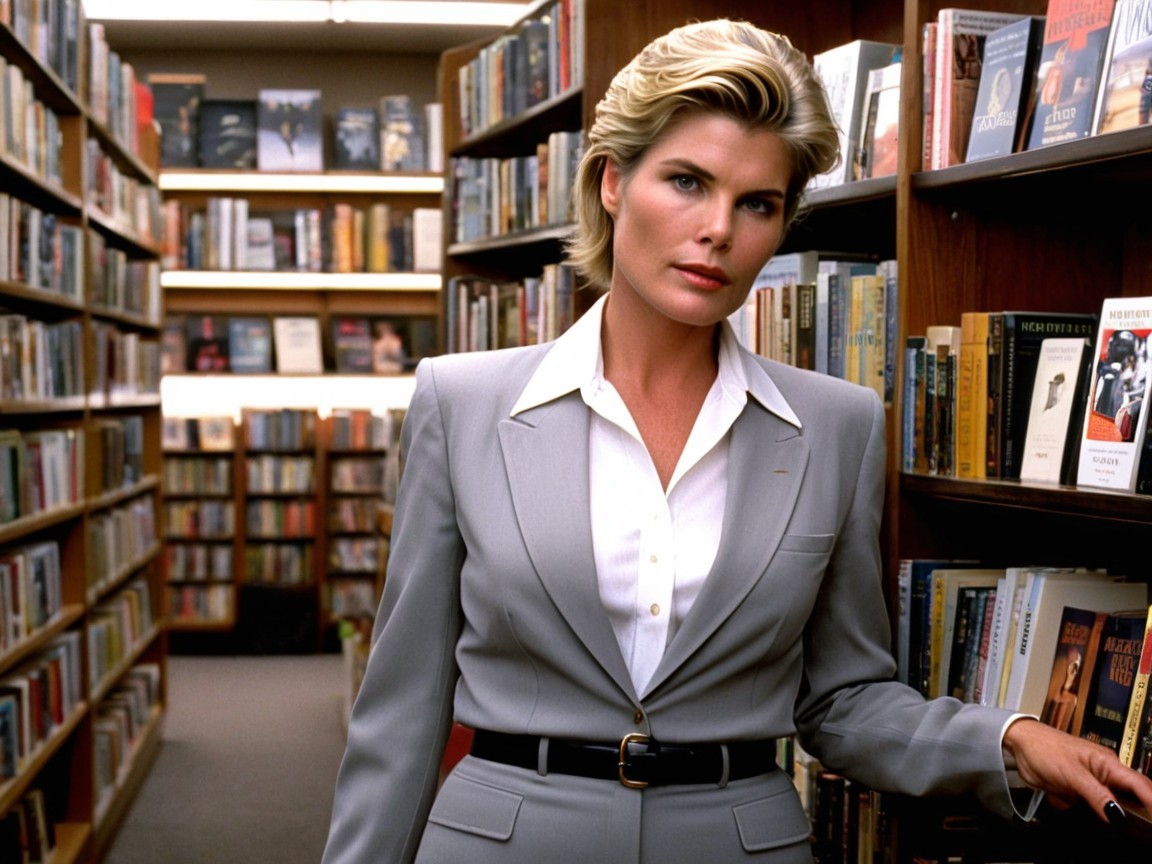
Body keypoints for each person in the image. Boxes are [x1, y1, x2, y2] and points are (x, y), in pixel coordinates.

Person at [321, 19, 1152, 864]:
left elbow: (843, 700)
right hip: (500, 841)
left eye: (757, 203)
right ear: (612, 183)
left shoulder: (840, 425)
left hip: (738, 842)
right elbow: (403, 706)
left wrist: (1008, 742)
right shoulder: (462, 402)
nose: (719, 228)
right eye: (687, 181)